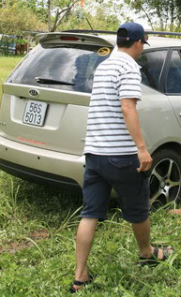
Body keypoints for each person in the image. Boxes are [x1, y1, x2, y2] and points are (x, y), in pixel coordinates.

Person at [71, 22, 173, 293]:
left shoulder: (103, 65)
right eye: (143, 45)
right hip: (120, 154)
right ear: (139, 42)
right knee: (138, 210)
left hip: (94, 154)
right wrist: (141, 147)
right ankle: (146, 253)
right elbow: (127, 106)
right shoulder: (128, 66)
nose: (142, 50)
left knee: (90, 213)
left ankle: (80, 276)